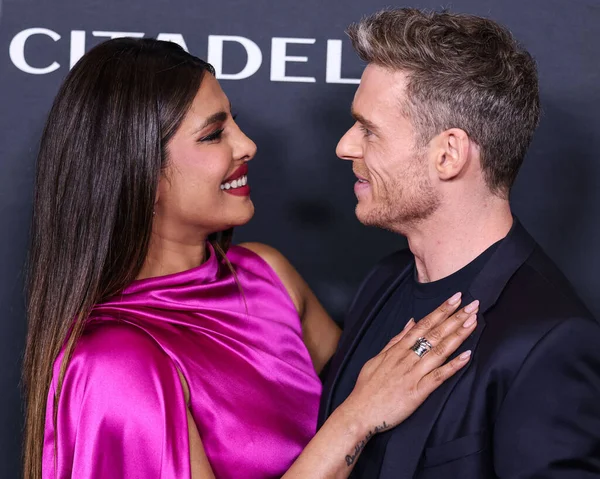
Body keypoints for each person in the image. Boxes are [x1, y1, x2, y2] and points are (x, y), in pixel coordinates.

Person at [22, 38, 478, 479]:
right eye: (214, 134)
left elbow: (390, 398)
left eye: (233, 123)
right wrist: (356, 420)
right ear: (140, 171)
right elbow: (367, 406)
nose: (247, 145)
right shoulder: (114, 364)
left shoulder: (266, 277)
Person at [319, 8, 600, 478]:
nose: (345, 146)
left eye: (369, 130)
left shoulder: (551, 343)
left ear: (448, 154)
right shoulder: (383, 280)